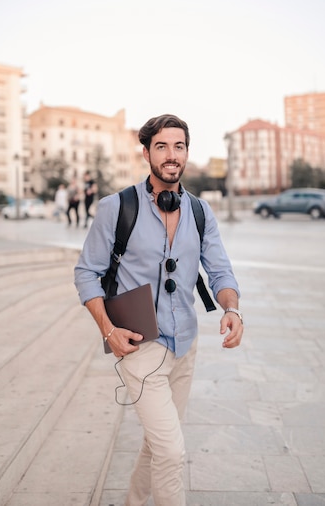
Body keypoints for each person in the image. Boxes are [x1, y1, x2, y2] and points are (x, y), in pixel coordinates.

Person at [74, 114, 243, 506]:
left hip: (185, 344)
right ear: (147, 151)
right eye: (162, 146)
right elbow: (86, 274)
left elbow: (220, 270)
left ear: (186, 153)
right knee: (171, 451)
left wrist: (232, 309)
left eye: (179, 146)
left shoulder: (201, 212)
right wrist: (107, 330)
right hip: (139, 344)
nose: (171, 155)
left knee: (159, 442)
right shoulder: (115, 208)